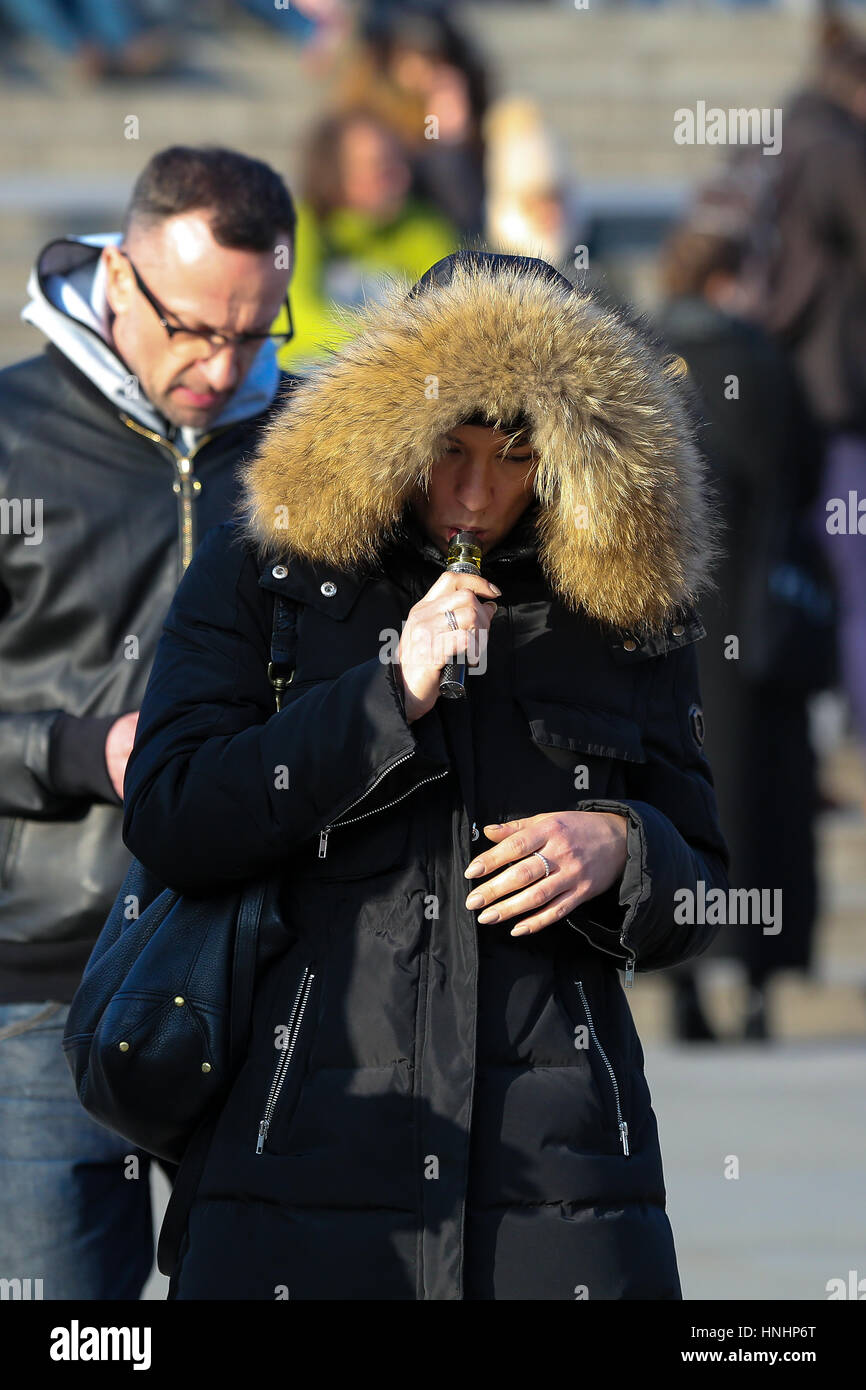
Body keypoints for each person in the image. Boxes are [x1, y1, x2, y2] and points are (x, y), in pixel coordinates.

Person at [121, 251, 729, 1300]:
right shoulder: (265, 573)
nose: (474, 491)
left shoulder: (624, 609)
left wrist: (627, 848)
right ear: (390, 423)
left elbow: (703, 887)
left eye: (515, 454)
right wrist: (381, 695)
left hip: (560, 1184)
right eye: (448, 447)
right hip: (297, 1162)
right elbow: (172, 813)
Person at [0, 145, 298, 1299]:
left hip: (270, 967)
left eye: (253, 331)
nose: (220, 368)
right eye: (192, 329)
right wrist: (83, 750)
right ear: (118, 275)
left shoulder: (313, 445)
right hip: (42, 987)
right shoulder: (12, 433)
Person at [656, 218, 825, 1043]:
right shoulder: (766, 366)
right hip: (758, 625)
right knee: (765, 805)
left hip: (664, 621)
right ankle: (756, 987)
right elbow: (805, 482)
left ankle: (683, 985)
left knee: (680, 794)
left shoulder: (637, 357)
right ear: (732, 280)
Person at [276, 107, 456, 373]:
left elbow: (455, 312)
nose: (402, 179)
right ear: (335, 173)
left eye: (401, 163)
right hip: (314, 374)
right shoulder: (299, 224)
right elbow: (299, 319)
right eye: (381, 168)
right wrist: (395, 341)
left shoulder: (424, 226)